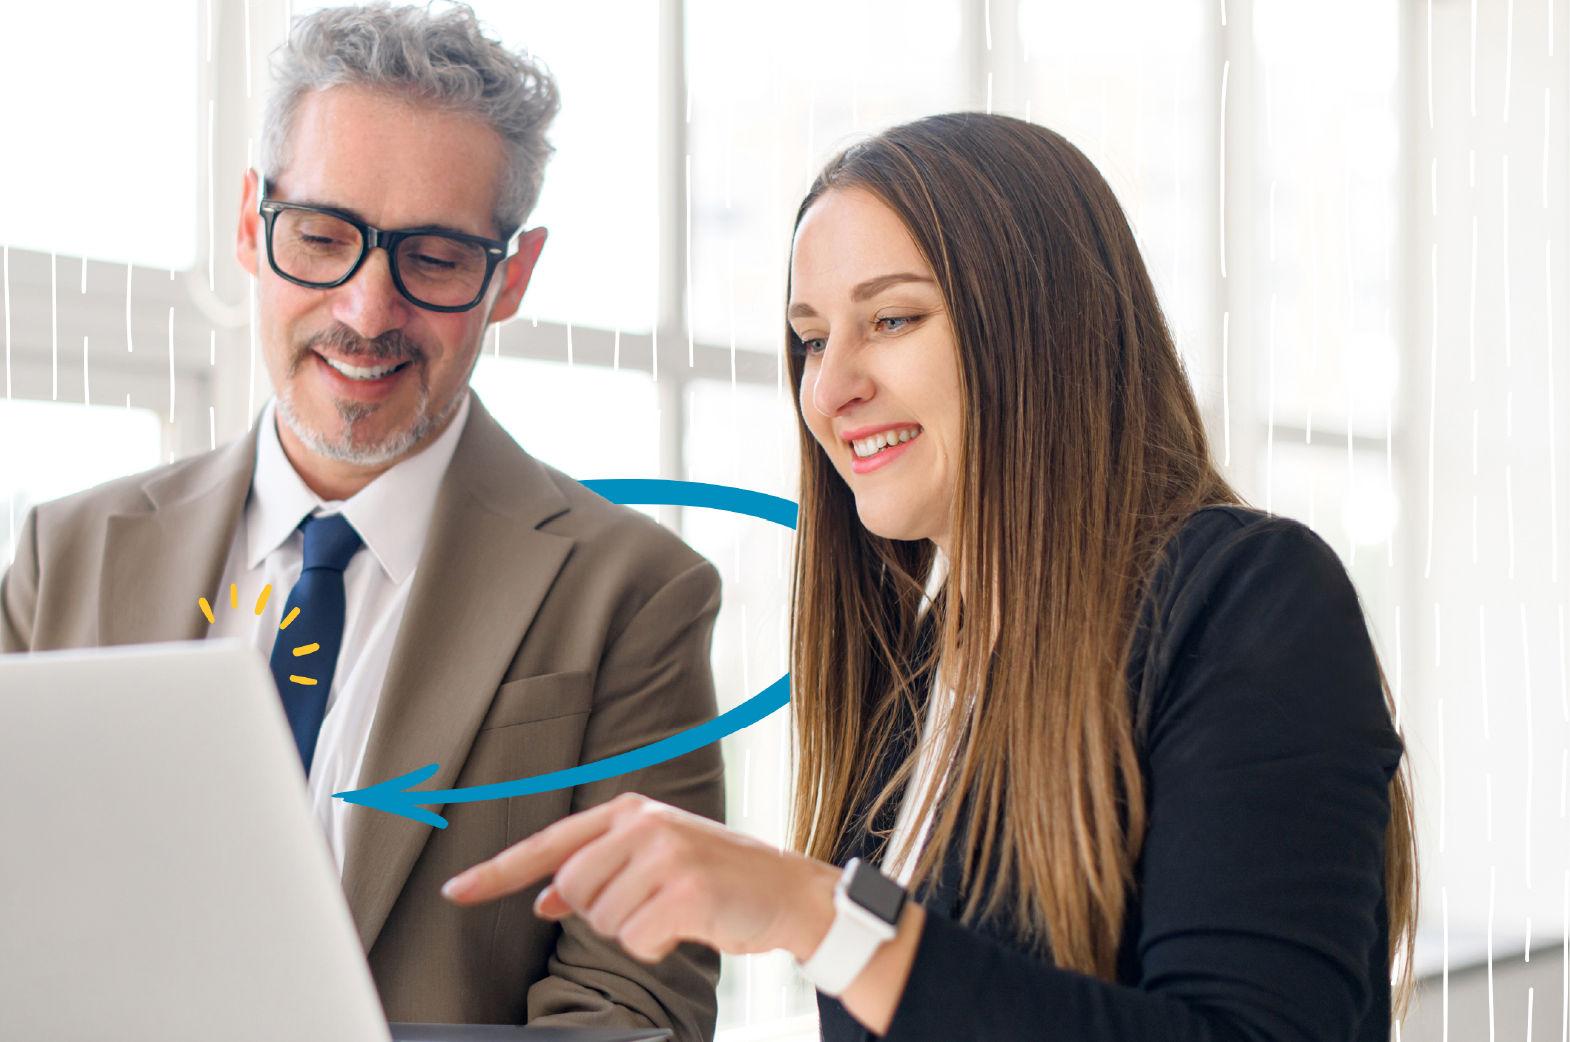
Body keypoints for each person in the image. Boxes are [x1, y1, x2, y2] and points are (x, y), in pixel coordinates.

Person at [0, 5, 724, 1039]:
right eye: (323, 237)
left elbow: (635, 1015)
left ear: (508, 278)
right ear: (252, 224)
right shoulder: (68, 556)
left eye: (430, 257)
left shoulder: (631, 594)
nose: (365, 310)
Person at [443, 112, 1416, 1042]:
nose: (826, 390)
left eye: (892, 317)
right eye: (812, 338)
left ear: (1046, 324)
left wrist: (811, 909)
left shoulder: (1248, 599)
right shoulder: (924, 665)